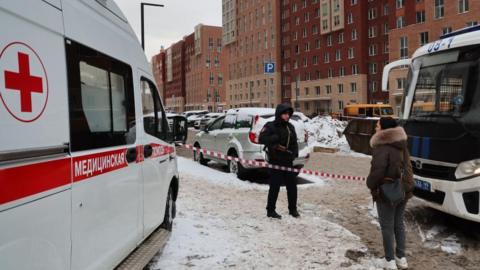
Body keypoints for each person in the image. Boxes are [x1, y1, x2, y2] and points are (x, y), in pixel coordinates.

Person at [367, 117, 414, 270]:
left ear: (384, 129)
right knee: (398, 224)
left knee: (387, 226)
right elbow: (407, 167)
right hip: (404, 189)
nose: (376, 128)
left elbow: (378, 171)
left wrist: (370, 184)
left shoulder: (383, 147)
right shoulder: (402, 144)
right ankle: (401, 258)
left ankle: (389, 261)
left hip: (387, 191)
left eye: (378, 125)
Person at [259, 103, 299, 219]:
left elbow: (294, 143)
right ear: (279, 114)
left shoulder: (290, 127)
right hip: (275, 161)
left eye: (289, 114)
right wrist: (273, 139)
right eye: (285, 114)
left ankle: (293, 209)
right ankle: (270, 211)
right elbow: (261, 138)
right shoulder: (271, 126)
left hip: (288, 162)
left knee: (292, 187)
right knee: (274, 187)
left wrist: (294, 153)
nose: (287, 116)